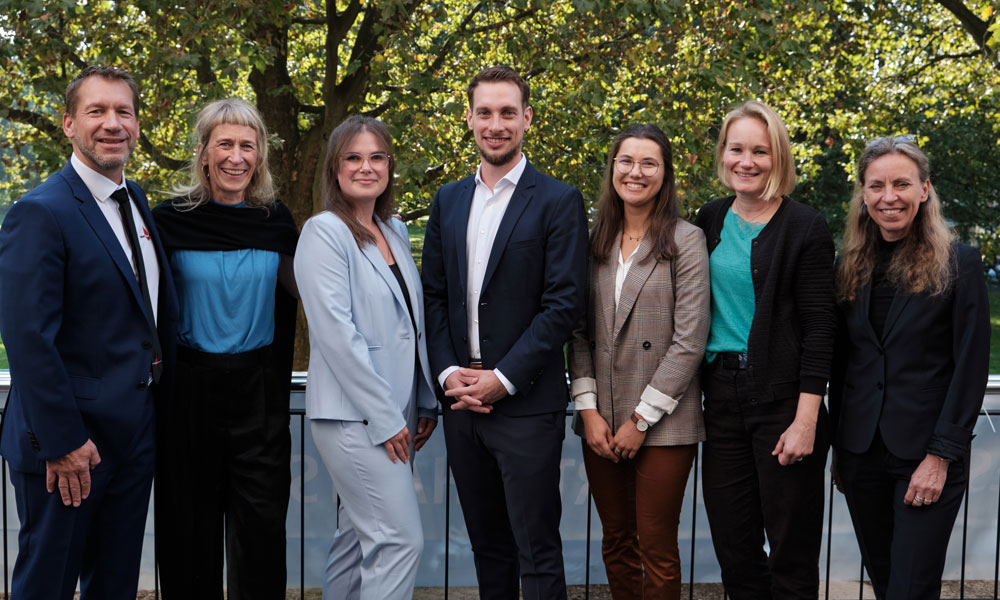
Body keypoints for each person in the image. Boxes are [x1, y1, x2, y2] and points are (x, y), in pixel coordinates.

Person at [0, 65, 178, 599]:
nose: (112, 123)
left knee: (115, 586)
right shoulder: (39, 212)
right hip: (69, 448)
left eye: (123, 111)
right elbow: (28, 337)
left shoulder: (138, 201)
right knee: (47, 585)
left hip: (131, 441)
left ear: (138, 124)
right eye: (96, 111)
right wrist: (64, 442)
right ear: (69, 124)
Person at [421, 64, 588, 600]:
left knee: (537, 552)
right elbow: (434, 297)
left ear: (527, 119)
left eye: (508, 113)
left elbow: (563, 305)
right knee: (486, 548)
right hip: (461, 406)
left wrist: (502, 378)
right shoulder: (447, 200)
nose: (496, 124)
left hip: (525, 405)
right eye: (486, 112)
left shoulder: (559, 200)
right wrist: (449, 374)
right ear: (468, 119)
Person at [829, 136, 990, 599]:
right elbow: (845, 365)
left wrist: (940, 457)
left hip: (926, 456)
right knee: (884, 584)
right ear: (863, 194)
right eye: (876, 185)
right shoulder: (849, 267)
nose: (888, 196)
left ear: (924, 190)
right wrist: (842, 449)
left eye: (901, 183)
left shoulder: (959, 264)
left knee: (911, 589)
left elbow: (971, 368)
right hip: (861, 455)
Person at [150, 98, 299, 599]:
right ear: (203, 152)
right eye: (225, 144)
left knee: (260, 533)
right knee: (188, 533)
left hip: (259, 394)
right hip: (188, 392)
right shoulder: (169, 221)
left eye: (247, 146)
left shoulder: (275, 221)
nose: (236, 156)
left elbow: (316, 296)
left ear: (259, 157)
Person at [695, 100, 835, 599]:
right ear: (723, 155)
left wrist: (806, 421)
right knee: (735, 551)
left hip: (783, 404)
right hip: (721, 403)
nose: (747, 161)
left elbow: (821, 329)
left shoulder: (805, 226)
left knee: (791, 552)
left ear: (778, 157)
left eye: (760, 150)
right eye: (737, 149)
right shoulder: (708, 220)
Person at [295, 115, 438, 600]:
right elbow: (338, 336)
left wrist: (422, 402)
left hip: (397, 412)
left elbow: (409, 327)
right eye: (353, 157)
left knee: (358, 541)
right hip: (354, 417)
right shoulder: (323, 232)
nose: (366, 167)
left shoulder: (392, 229)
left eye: (377, 157)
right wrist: (385, 417)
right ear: (335, 168)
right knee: (398, 540)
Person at [567, 123, 710, 599]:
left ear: (665, 174)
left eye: (649, 162)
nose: (635, 171)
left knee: (657, 547)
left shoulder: (685, 240)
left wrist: (641, 419)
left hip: (664, 420)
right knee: (616, 542)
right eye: (626, 161)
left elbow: (690, 340)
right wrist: (587, 412)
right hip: (600, 421)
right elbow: (579, 333)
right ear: (612, 169)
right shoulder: (593, 242)